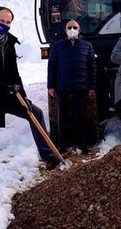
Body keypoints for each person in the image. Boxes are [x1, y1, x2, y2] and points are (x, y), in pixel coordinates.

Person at [0, 7, 60, 196]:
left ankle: (47, 156)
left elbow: (14, 72)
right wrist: (4, 87)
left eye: (9, 22)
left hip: (8, 96)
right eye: (2, 21)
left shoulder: (9, 42)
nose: (5, 25)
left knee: (35, 113)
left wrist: (23, 96)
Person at [47, 19, 96, 155]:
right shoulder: (58, 46)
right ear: (65, 30)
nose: (72, 29)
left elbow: (92, 67)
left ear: (79, 30)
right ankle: (62, 145)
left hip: (80, 86)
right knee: (62, 115)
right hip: (62, 86)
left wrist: (91, 86)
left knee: (80, 115)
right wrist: (51, 85)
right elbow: (52, 66)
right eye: (70, 27)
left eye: (75, 27)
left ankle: (82, 144)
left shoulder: (87, 46)